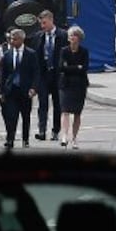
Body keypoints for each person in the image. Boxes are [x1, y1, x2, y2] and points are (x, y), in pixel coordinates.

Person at [0, 29, 40, 148]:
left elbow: (36, 72)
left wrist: (33, 88)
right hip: (11, 90)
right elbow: (3, 75)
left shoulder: (31, 54)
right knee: (11, 115)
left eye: (15, 39)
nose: (12, 41)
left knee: (25, 116)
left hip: (25, 90)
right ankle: (10, 139)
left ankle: (25, 139)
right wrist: (1, 92)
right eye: (11, 38)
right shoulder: (7, 55)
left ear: (22, 39)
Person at [31, 10, 68, 142]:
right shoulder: (38, 36)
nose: (42, 26)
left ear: (51, 20)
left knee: (58, 104)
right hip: (43, 75)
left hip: (58, 75)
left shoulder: (63, 35)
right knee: (43, 104)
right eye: (41, 23)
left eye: (44, 23)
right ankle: (42, 130)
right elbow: (35, 59)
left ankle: (55, 131)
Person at [58, 25, 90, 149]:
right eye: (71, 35)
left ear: (79, 38)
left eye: (75, 36)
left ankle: (74, 138)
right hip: (66, 85)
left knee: (77, 113)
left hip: (80, 85)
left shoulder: (84, 51)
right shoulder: (64, 51)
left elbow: (85, 68)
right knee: (65, 111)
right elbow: (61, 67)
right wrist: (77, 67)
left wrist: (71, 67)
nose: (72, 38)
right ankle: (64, 136)